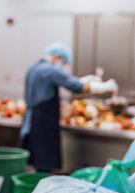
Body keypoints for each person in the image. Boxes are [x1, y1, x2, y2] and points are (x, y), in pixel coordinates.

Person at [20, 42, 117, 172]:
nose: (63, 66)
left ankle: (39, 181)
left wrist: (86, 79)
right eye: (64, 63)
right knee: (45, 160)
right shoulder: (50, 70)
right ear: (58, 57)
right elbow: (78, 87)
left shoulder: (35, 68)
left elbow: (67, 80)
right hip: (44, 121)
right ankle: (43, 184)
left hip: (34, 119)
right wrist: (106, 86)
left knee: (38, 158)